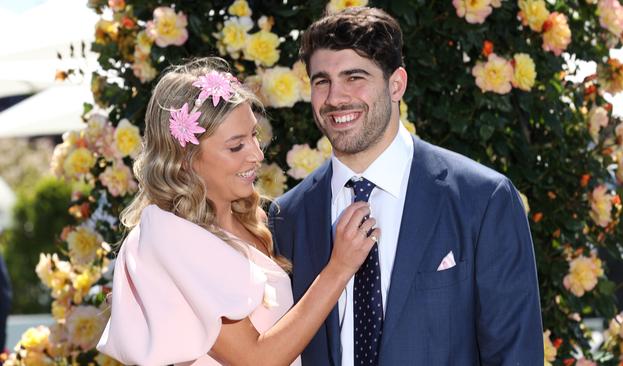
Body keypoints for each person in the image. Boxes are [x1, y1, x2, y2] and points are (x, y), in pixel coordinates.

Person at [268, 7, 545, 365]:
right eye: (322, 81)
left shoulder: (482, 200)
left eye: (355, 77)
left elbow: (516, 355)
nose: (335, 98)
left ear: (396, 84)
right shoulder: (287, 217)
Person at [97, 57, 381, 366]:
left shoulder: (256, 220)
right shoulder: (168, 235)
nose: (257, 155)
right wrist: (339, 269)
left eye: (254, 137)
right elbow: (256, 360)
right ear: (184, 158)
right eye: (236, 147)